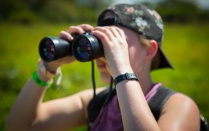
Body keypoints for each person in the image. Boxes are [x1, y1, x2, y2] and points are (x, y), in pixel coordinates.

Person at [6, 3, 200, 131]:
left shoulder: (177, 106)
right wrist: (47, 69)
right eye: (99, 42)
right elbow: (20, 126)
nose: (103, 53)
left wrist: (122, 71)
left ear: (149, 50)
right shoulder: (97, 102)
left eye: (115, 41)